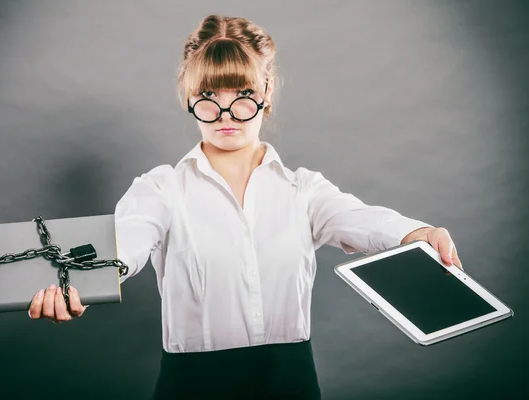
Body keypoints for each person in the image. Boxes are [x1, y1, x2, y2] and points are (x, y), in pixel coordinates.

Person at [28, 15, 464, 399]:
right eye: (208, 95)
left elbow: (365, 220)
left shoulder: (303, 190)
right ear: (188, 95)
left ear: (267, 90)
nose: (225, 113)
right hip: (192, 386)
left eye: (242, 93)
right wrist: (84, 282)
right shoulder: (161, 189)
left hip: (291, 383)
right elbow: (128, 238)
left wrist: (418, 233)